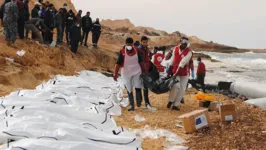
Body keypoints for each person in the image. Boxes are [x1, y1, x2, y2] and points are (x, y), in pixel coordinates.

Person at [113, 37, 145, 111]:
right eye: (128, 44)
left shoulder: (137, 50)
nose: (129, 45)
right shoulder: (122, 51)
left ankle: (138, 102)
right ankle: (132, 106)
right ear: (126, 44)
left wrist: (144, 71)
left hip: (137, 71)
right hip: (126, 73)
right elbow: (117, 64)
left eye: (131, 44)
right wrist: (115, 73)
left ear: (133, 44)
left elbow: (141, 62)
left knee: (138, 86)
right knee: (129, 88)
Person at [165, 37, 192, 111]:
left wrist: (175, 75)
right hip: (175, 70)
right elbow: (172, 61)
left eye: (186, 44)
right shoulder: (175, 49)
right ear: (180, 42)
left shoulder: (189, 52)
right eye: (183, 44)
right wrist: (168, 73)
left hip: (184, 72)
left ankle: (176, 104)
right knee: (175, 86)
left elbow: (182, 63)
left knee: (182, 89)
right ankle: (170, 101)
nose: (184, 46)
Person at [138, 36, 152, 107]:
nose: (145, 43)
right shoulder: (139, 50)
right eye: (143, 42)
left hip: (146, 70)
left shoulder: (147, 49)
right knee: (139, 86)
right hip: (140, 70)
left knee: (146, 87)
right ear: (141, 42)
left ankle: (147, 103)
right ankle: (139, 101)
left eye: (146, 42)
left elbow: (149, 59)